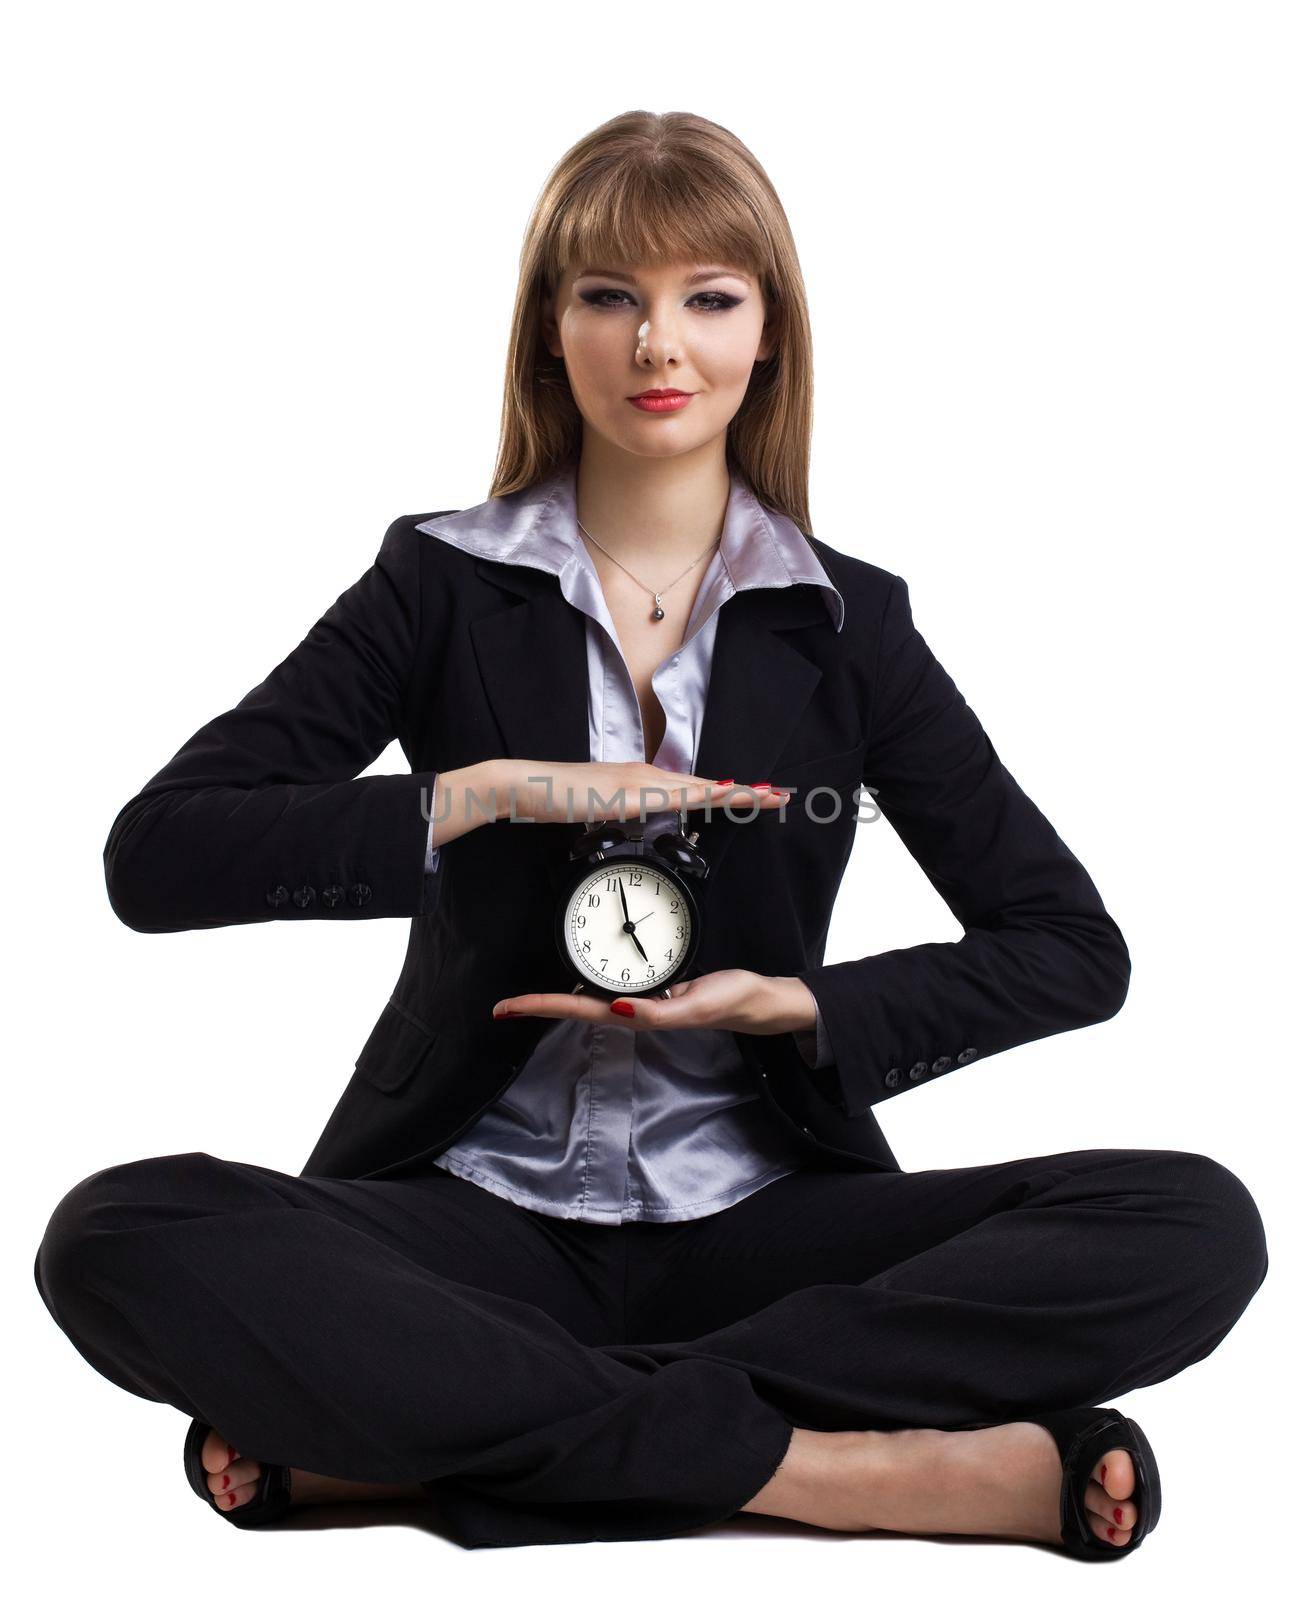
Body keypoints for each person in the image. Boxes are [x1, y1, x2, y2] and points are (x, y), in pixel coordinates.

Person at [33, 109, 1267, 1559]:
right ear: (549, 333)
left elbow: (1068, 950)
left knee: (1191, 1221)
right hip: (471, 1222)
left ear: (768, 336)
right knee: (119, 1235)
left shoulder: (848, 625)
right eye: (609, 296)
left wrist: (798, 1007)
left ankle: (419, 1455)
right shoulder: (435, 586)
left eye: (708, 298)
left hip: (763, 1227)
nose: (657, 346)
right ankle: (838, 1476)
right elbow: (159, 857)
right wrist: (480, 796)